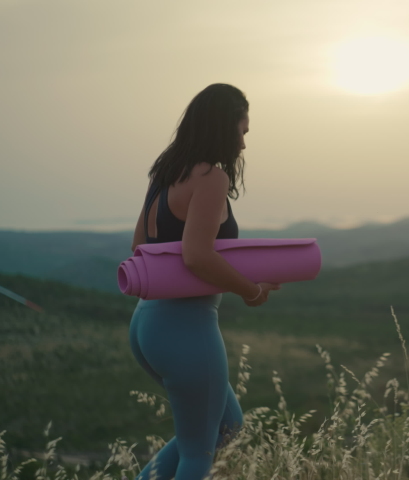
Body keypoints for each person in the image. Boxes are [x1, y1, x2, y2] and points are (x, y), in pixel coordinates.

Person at [127, 83, 280, 480]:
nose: (244, 144)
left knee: (226, 427)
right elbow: (197, 255)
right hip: (186, 328)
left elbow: (139, 247)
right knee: (200, 452)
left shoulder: (165, 172)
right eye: (242, 132)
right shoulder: (211, 178)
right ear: (223, 128)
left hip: (147, 322)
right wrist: (251, 290)